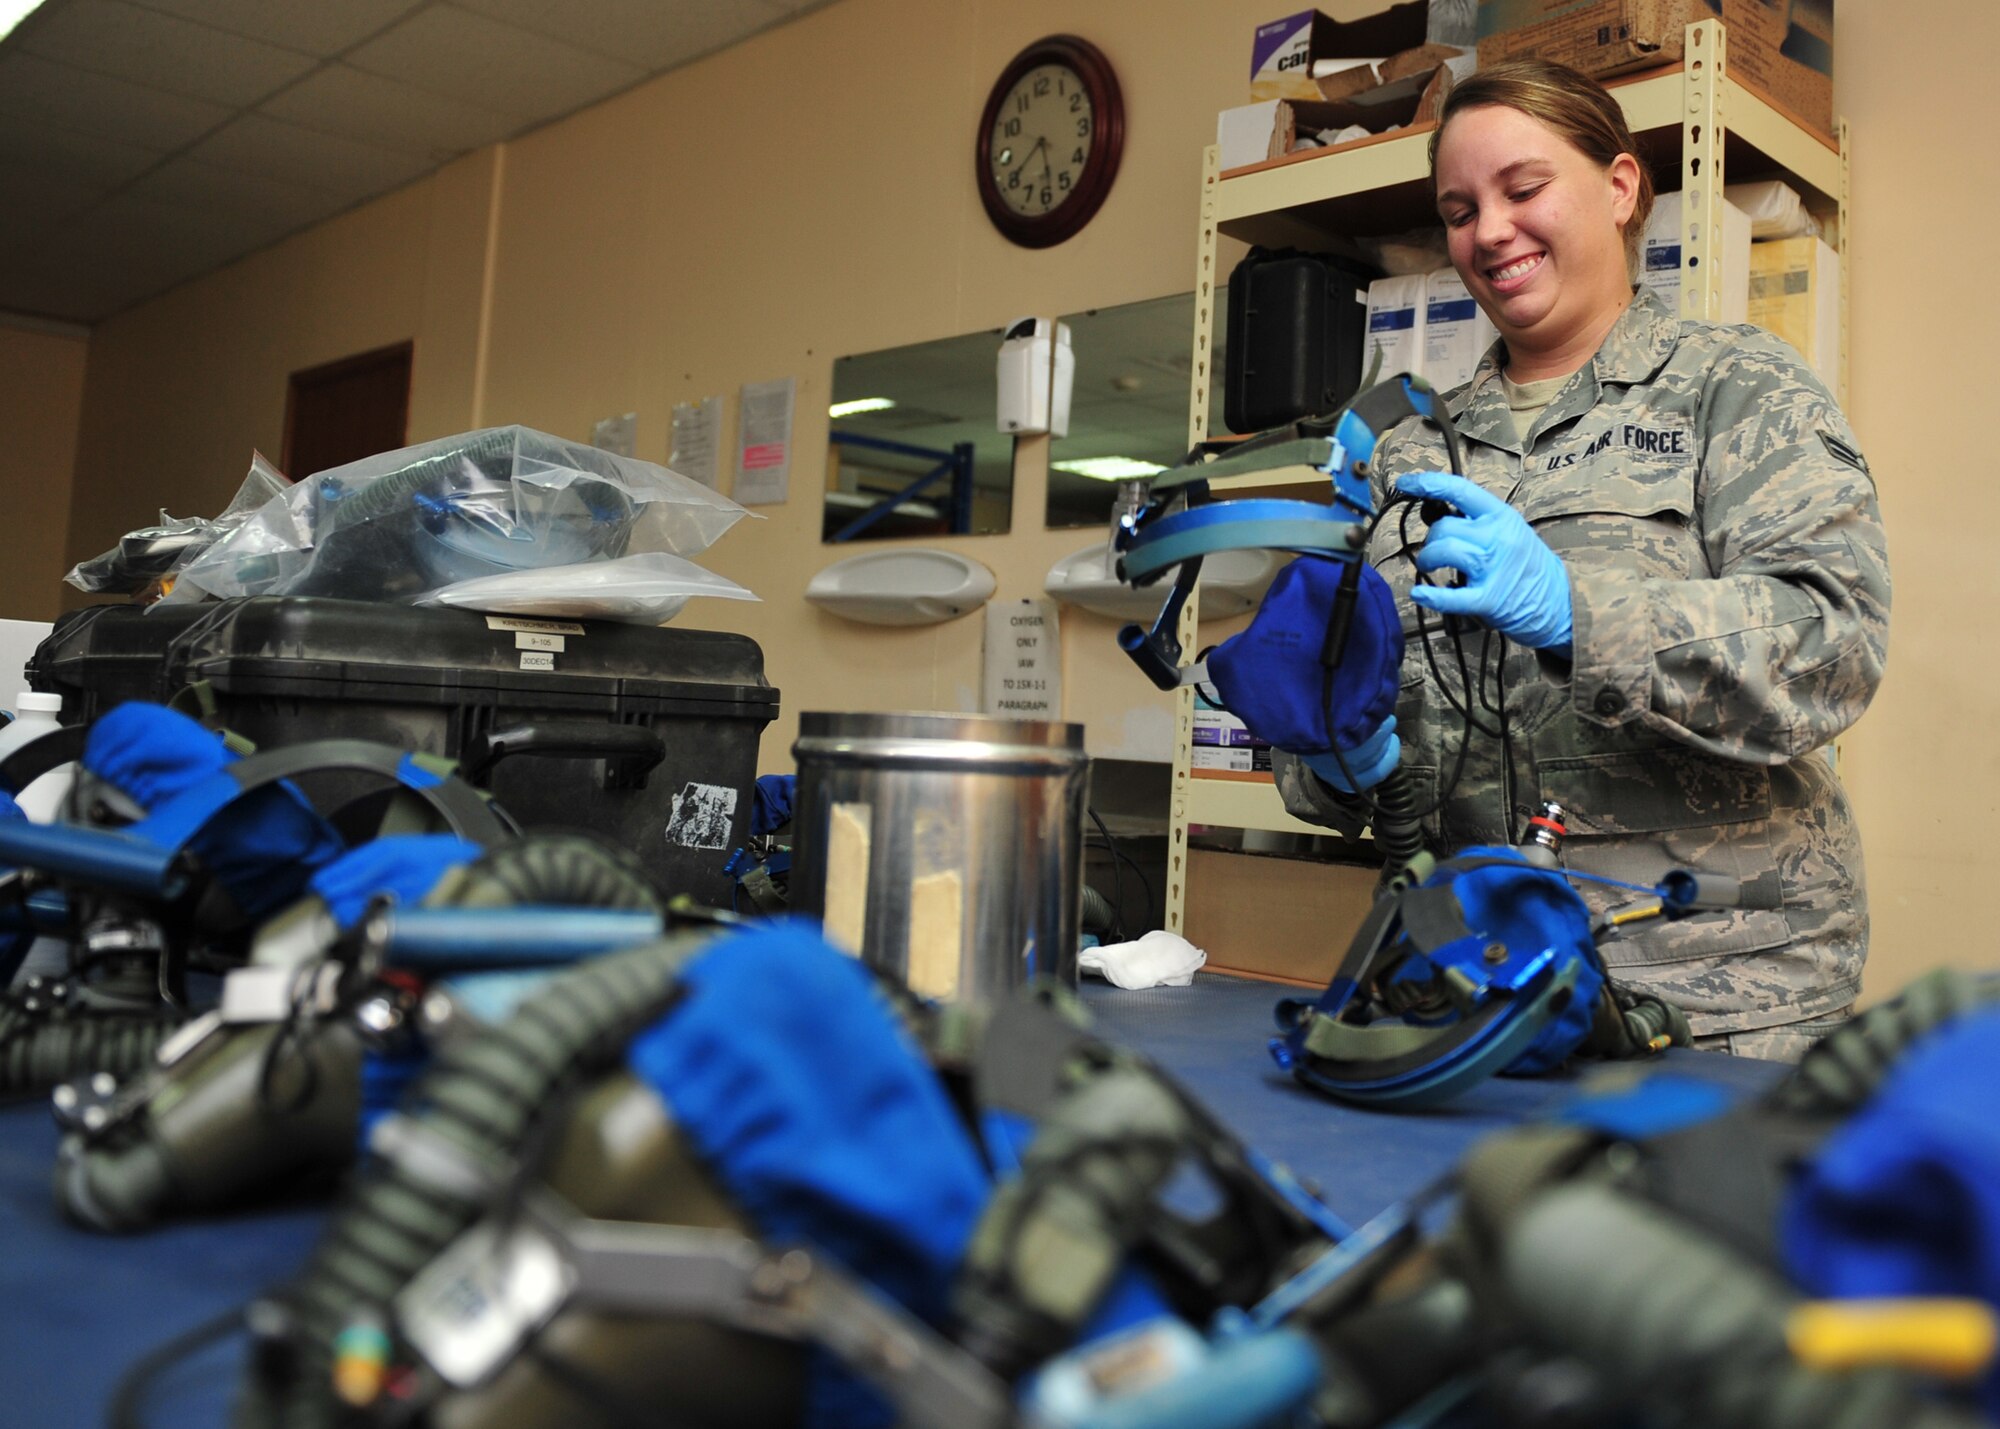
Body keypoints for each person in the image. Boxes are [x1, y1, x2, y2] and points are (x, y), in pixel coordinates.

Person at [1265, 58, 1891, 1061]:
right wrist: (1332, 756)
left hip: (1719, 999)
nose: (1489, 232)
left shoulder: (1733, 388)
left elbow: (1835, 640)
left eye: (1522, 189)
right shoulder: (1405, 455)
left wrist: (1577, 613)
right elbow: (1351, 750)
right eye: (1459, 210)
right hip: (1485, 990)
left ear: (1619, 186)